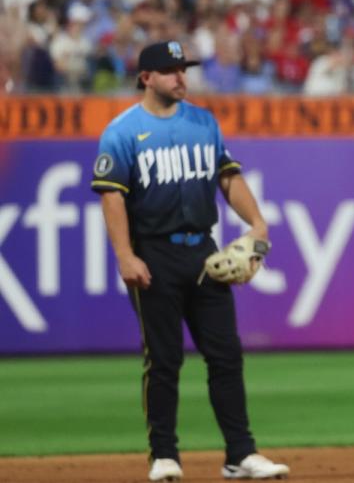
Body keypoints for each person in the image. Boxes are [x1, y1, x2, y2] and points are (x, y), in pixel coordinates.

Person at [91, 41, 290, 482]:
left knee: (226, 355)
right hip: (153, 254)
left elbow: (227, 176)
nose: (181, 76)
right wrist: (125, 255)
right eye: (170, 70)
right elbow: (112, 198)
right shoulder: (122, 131)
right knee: (163, 359)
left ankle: (241, 453)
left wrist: (257, 222)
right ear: (146, 78)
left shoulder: (203, 121)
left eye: (183, 68)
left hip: (203, 250)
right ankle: (164, 455)